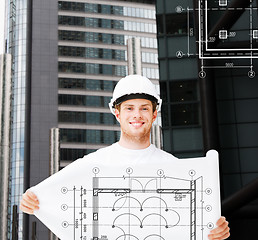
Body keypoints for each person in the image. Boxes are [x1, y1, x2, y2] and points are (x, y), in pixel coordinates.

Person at [20, 75, 230, 240]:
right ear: (118, 114)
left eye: (144, 109)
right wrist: (32, 200)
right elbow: (48, 200)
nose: (137, 115)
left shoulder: (176, 170)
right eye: (129, 108)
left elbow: (190, 228)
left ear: (154, 114)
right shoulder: (90, 165)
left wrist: (213, 232)